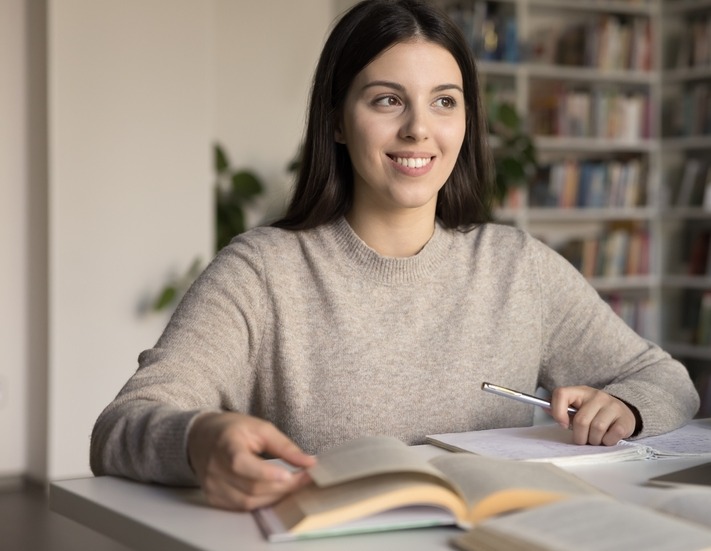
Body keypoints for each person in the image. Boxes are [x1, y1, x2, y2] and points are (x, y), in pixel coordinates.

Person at [90, 0, 700, 513]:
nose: (418, 130)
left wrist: (621, 406)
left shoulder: (518, 266)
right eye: (387, 100)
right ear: (335, 120)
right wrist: (200, 437)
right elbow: (120, 427)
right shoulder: (262, 271)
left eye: (444, 101)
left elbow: (668, 381)